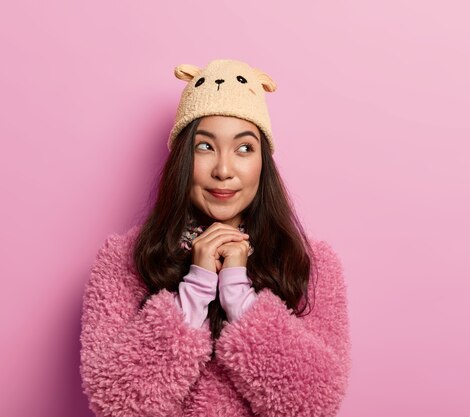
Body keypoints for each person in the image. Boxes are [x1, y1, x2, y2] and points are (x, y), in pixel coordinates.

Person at [79, 59, 351, 417]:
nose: (223, 170)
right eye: (204, 147)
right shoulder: (124, 258)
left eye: (244, 149)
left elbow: (315, 404)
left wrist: (239, 295)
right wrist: (197, 288)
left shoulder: (311, 263)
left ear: (263, 163)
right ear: (182, 158)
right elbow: (115, 402)